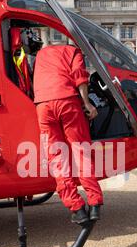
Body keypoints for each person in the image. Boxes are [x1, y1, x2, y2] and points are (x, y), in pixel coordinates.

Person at [33, 43, 103, 224]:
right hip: (67, 101)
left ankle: (76, 208)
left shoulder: (41, 54)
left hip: (43, 105)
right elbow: (80, 78)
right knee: (82, 153)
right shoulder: (73, 51)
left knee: (56, 158)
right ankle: (94, 203)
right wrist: (87, 104)